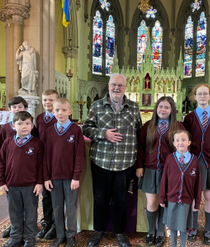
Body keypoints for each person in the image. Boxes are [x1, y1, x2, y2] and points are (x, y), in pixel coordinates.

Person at [82, 73, 142, 247]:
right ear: (108, 86)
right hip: (101, 161)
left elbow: (138, 132)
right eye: (113, 85)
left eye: (120, 86)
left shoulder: (134, 107)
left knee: (121, 199)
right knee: (100, 198)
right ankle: (98, 230)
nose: (116, 88)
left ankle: (119, 231)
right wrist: (104, 134)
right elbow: (86, 129)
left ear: (125, 88)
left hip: (125, 163)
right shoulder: (96, 106)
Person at [136, 96, 185, 246]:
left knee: (164, 202)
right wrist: (139, 166)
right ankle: (151, 230)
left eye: (166, 107)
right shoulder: (148, 126)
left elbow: (182, 150)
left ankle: (160, 231)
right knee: (152, 203)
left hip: (169, 171)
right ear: (156, 109)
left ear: (172, 110)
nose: (163, 110)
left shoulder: (179, 127)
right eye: (160, 107)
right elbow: (141, 147)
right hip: (150, 169)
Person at [183, 84, 210, 245]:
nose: (202, 96)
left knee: (208, 195)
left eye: (205, 94)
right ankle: (193, 227)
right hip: (194, 160)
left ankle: (207, 229)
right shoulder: (189, 118)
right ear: (195, 97)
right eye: (199, 94)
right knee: (194, 197)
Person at [44, 98, 86, 247]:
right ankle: (60, 235)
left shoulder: (75, 130)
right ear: (53, 111)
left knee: (71, 206)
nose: (60, 113)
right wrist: (46, 177)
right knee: (57, 206)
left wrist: (76, 177)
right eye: (57, 110)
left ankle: (71, 235)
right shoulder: (49, 131)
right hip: (54, 177)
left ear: (70, 111)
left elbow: (80, 156)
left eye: (63, 110)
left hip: (70, 178)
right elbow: (45, 156)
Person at [0, 96, 39, 239]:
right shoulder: (6, 129)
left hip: (28, 175)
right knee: (14, 206)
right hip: (12, 174)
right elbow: (0, 151)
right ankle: (15, 229)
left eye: (20, 107)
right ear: (10, 110)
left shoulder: (32, 129)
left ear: (25, 109)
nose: (17, 109)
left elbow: (38, 151)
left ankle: (29, 230)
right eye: (14, 107)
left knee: (29, 206)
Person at [159, 130, 202, 247]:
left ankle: (183, 245)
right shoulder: (170, 158)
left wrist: (197, 202)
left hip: (186, 200)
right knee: (172, 225)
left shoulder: (194, 160)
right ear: (174, 143)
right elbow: (164, 180)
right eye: (177, 140)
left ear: (189, 142)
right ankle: (173, 245)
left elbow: (198, 183)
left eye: (183, 140)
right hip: (172, 199)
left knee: (184, 226)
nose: (180, 142)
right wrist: (162, 198)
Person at [35, 89, 59, 240]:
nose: (47, 103)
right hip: (43, 162)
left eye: (50, 100)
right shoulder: (39, 118)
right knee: (45, 195)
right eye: (45, 100)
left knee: (57, 195)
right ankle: (48, 223)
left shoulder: (60, 117)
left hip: (56, 161)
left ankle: (57, 225)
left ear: (56, 100)